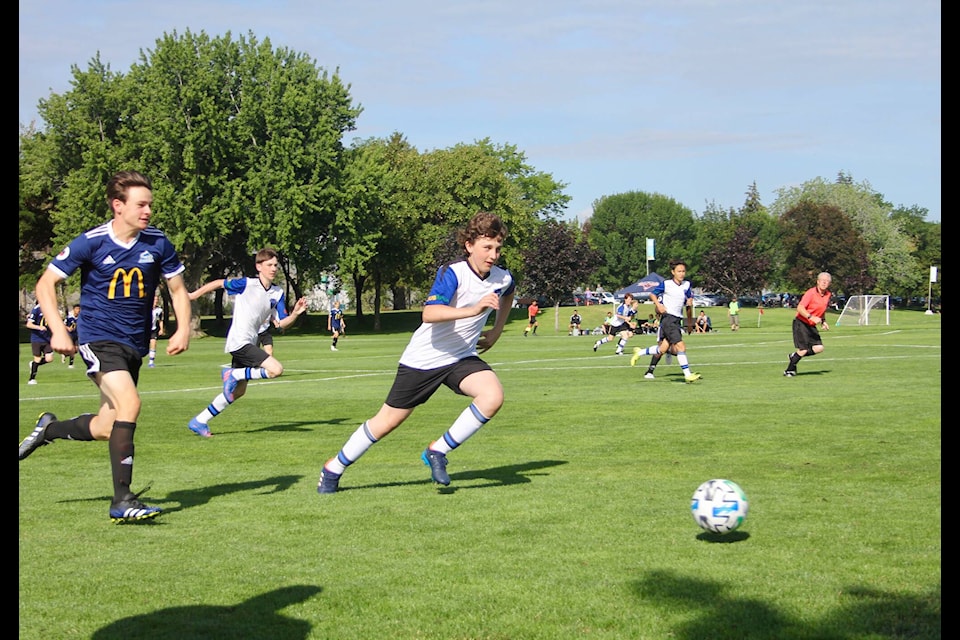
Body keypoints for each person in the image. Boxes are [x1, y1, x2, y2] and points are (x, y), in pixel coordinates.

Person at [19, 170, 192, 523]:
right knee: (131, 403)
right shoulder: (92, 242)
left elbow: (177, 289)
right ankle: (122, 500)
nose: (147, 211)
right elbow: (45, 284)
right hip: (98, 337)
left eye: (150, 205)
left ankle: (48, 429)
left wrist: (183, 329)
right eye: (140, 205)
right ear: (118, 206)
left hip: (133, 345)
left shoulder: (158, 243)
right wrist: (58, 330)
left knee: (104, 426)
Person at [317, 211, 515, 494]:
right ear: (469, 245)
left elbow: (508, 293)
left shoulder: (502, 278)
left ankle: (438, 451)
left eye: (497, 248)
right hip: (424, 359)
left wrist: (496, 331)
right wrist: (473, 310)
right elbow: (429, 313)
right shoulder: (453, 273)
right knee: (387, 422)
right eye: (487, 247)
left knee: (493, 396)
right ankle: (332, 468)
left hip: (460, 358)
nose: (493, 254)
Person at [186, 247, 308, 438]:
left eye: (275, 265)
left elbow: (281, 324)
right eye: (269, 265)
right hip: (239, 341)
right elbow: (219, 283)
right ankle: (232, 374)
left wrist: (294, 314)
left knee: (239, 391)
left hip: (251, 342)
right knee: (276, 369)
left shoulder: (277, 293)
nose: (273, 268)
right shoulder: (247, 284)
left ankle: (200, 420)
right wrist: (193, 296)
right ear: (258, 266)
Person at [629, 259, 701, 382]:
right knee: (681, 347)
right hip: (669, 319)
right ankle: (687, 374)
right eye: (679, 271)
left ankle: (640, 352)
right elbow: (652, 294)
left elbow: (688, 301)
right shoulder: (666, 284)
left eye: (683, 271)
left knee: (662, 349)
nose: (682, 274)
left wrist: (689, 317)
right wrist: (659, 305)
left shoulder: (686, 285)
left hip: (677, 320)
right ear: (673, 272)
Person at [784, 272, 832, 377]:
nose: (824, 282)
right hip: (801, 322)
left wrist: (823, 321)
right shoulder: (811, 293)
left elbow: (822, 309)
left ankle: (794, 356)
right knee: (803, 349)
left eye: (827, 281)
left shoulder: (828, 294)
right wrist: (810, 317)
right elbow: (800, 308)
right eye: (822, 280)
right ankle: (789, 370)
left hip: (811, 325)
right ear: (818, 282)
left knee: (819, 348)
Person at [25, 303, 53, 384]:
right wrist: (39, 327)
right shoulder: (36, 309)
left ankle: (33, 364)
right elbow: (29, 324)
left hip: (47, 339)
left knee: (49, 359)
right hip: (37, 339)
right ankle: (32, 379)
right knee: (37, 359)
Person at [148, 293, 164, 367]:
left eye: (157, 300)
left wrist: (161, 329)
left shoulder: (159, 310)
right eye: (154, 299)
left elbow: (160, 320)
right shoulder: (145, 308)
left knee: (153, 344)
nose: (156, 301)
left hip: (153, 329)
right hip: (145, 329)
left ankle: (151, 362)